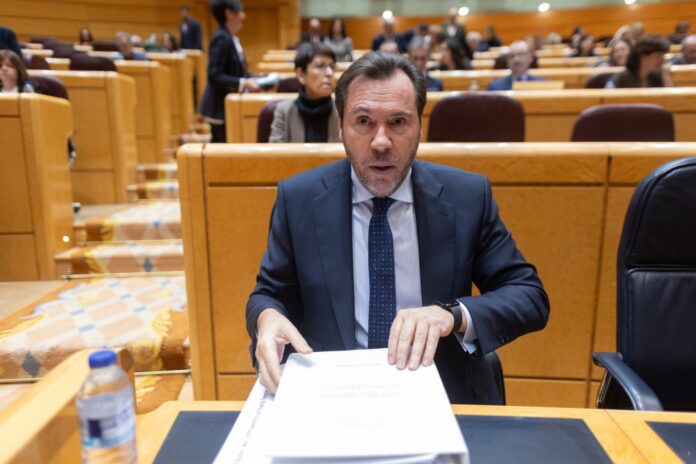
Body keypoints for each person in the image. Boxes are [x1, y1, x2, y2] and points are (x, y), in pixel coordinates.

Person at [246, 52, 550, 404]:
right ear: (341, 125)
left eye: (398, 122)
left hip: (440, 392)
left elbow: (528, 295)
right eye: (363, 121)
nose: (381, 142)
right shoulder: (299, 199)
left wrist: (452, 314)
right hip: (335, 396)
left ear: (420, 126)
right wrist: (267, 318)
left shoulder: (466, 196)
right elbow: (269, 293)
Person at [201, 0, 262, 143]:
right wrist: (244, 83)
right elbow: (214, 75)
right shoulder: (221, 38)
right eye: (240, 11)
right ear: (229, 13)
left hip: (228, 107)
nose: (243, 16)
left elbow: (237, 72)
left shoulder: (230, 37)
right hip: (220, 109)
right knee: (222, 149)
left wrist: (257, 78)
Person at [269, 43, 339, 143]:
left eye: (332, 67)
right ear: (301, 75)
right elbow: (275, 152)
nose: (329, 73)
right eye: (320, 66)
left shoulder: (343, 111)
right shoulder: (284, 112)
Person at [606, 35, 673, 88]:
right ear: (643, 57)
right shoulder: (620, 79)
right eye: (657, 56)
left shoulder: (659, 76)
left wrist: (666, 77)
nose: (662, 61)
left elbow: (671, 99)